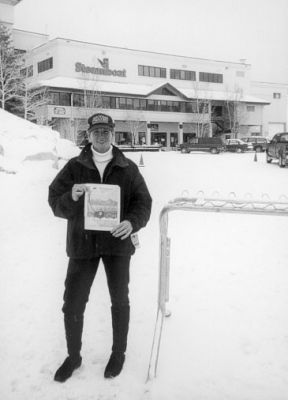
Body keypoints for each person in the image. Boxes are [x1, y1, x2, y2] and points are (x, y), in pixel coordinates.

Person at [48, 112, 152, 382]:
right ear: (89, 135)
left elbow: (143, 202)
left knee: (120, 300)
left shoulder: (128, 167)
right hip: (83, 245)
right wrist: (71, 196)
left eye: (106, 131)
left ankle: (118, 353)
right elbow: (54, 202)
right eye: (97, 132)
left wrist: (132, 222)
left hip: (117, 244)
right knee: (72, 303)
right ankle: (73, 357)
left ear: (113, 134)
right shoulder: (74, 167)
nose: (102, 136)